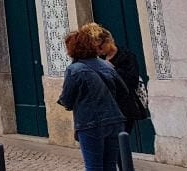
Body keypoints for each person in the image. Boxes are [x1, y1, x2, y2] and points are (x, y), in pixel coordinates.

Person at [58, 25, 132, 171]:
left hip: (90, 123)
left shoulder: (74, 70)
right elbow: (123, 90)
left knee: (94, 166)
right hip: (114, 120)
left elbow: (67, 100)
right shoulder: (107, 65)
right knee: (110, 165)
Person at [95, 26, 149, 135]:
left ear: (108, 41)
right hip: (106, 108)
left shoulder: (127, 56)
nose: (98, 51)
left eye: (100, 47)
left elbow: (132, 81)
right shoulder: (98, 60)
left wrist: (113, 69)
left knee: (122, 138)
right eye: (95, 48)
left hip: (124, 107)